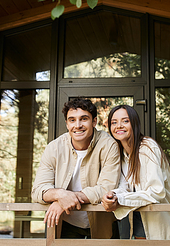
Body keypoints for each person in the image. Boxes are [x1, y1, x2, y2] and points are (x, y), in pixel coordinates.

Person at [31, 97, 120, 239]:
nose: (77, 125)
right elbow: (38, 191)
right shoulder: (54, 148)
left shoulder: (109, 145)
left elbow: (106, 188)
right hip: (66, 222)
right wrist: (60, 195)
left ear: (94, 122)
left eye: (84, 119)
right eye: (72, 120)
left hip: (102, 222)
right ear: (67, 123)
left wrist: (67, 199)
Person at [101, 105, 170, 240]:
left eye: (125, 121)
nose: (119, 126)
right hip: (140, 221)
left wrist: (121, 199)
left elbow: (157, 191)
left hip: (166, 225)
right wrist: (113, 195)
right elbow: (126, 187)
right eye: (114, 122)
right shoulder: (122, 154)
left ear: (134, 123)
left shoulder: (147, 147)